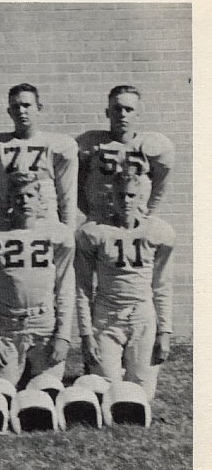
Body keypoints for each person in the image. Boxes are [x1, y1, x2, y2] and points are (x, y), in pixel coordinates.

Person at [75, 171, 174, 401]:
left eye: (132, 196)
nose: (126, 201)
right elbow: (83, 288)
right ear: (112, 198)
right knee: (106, 391)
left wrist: (165, 331)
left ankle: (129, 370)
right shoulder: (94, 232)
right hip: (107, 315)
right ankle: (107, 371)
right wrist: (86, 334)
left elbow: (162, 285)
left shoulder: (157, 231)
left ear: (142, 198)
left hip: (141, 314)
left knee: (142, 395)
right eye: (121, 195)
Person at [0, 172, 74, 388]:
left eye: (30, 196)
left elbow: (65, 289)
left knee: (48, 392)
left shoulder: (58, 235)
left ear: (40, 202)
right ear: (9, 201)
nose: (24, 201)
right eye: (18, 196)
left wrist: (63, 336)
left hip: (44, 323)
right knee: (0, 391)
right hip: (8, 325)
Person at [0, 83, 78, 230]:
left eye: (26, 105)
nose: (21, 111)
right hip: (4, 226)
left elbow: (67, 196)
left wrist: (68, 232)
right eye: (16, 107)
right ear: (9, 112)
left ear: (39, 108)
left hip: (46, 225)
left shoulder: (57, 144)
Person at [78, 85, 175, 225]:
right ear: (107, 112)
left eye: (129, 109)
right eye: (117, 109)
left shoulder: (152, 145)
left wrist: (144, 213)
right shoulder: (90, 143)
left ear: (138, 113)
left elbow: (160, 186)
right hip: (100, 220)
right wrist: (92, 212)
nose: (122, 114)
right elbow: (76, 186)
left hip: (135, 221)